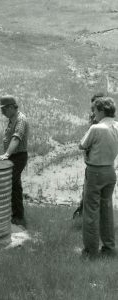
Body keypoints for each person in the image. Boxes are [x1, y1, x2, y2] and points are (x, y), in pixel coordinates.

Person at [79, 97, 118, 259]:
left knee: (91, 212)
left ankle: (91, 250)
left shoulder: (96, 128)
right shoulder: (117, 126)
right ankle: (109, 247)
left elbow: (82, 145)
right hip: (110, 171)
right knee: (107, 210)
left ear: (101, 110)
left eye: (94, 110)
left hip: (95, 172)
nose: (93, 113)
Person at [0, 96, 29, 227]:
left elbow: (16, 138)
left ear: (10, 107)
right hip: (14, 157)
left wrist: (7, 154)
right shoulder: (12, 119)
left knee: (10, 184)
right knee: (15, 187)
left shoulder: (20, 119)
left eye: (3, 109)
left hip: (18, 157)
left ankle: (15, 216)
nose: (2, 112)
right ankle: (17, 216)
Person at [72, 92, 105, 219]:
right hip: (93, 162)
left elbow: (87, 143)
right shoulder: (93, 118)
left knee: (91, 192)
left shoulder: (100, 123)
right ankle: (84, 213)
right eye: (94, 105)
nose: (94, 108)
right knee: (88, 190)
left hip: (97, 164)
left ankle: (87, 215)